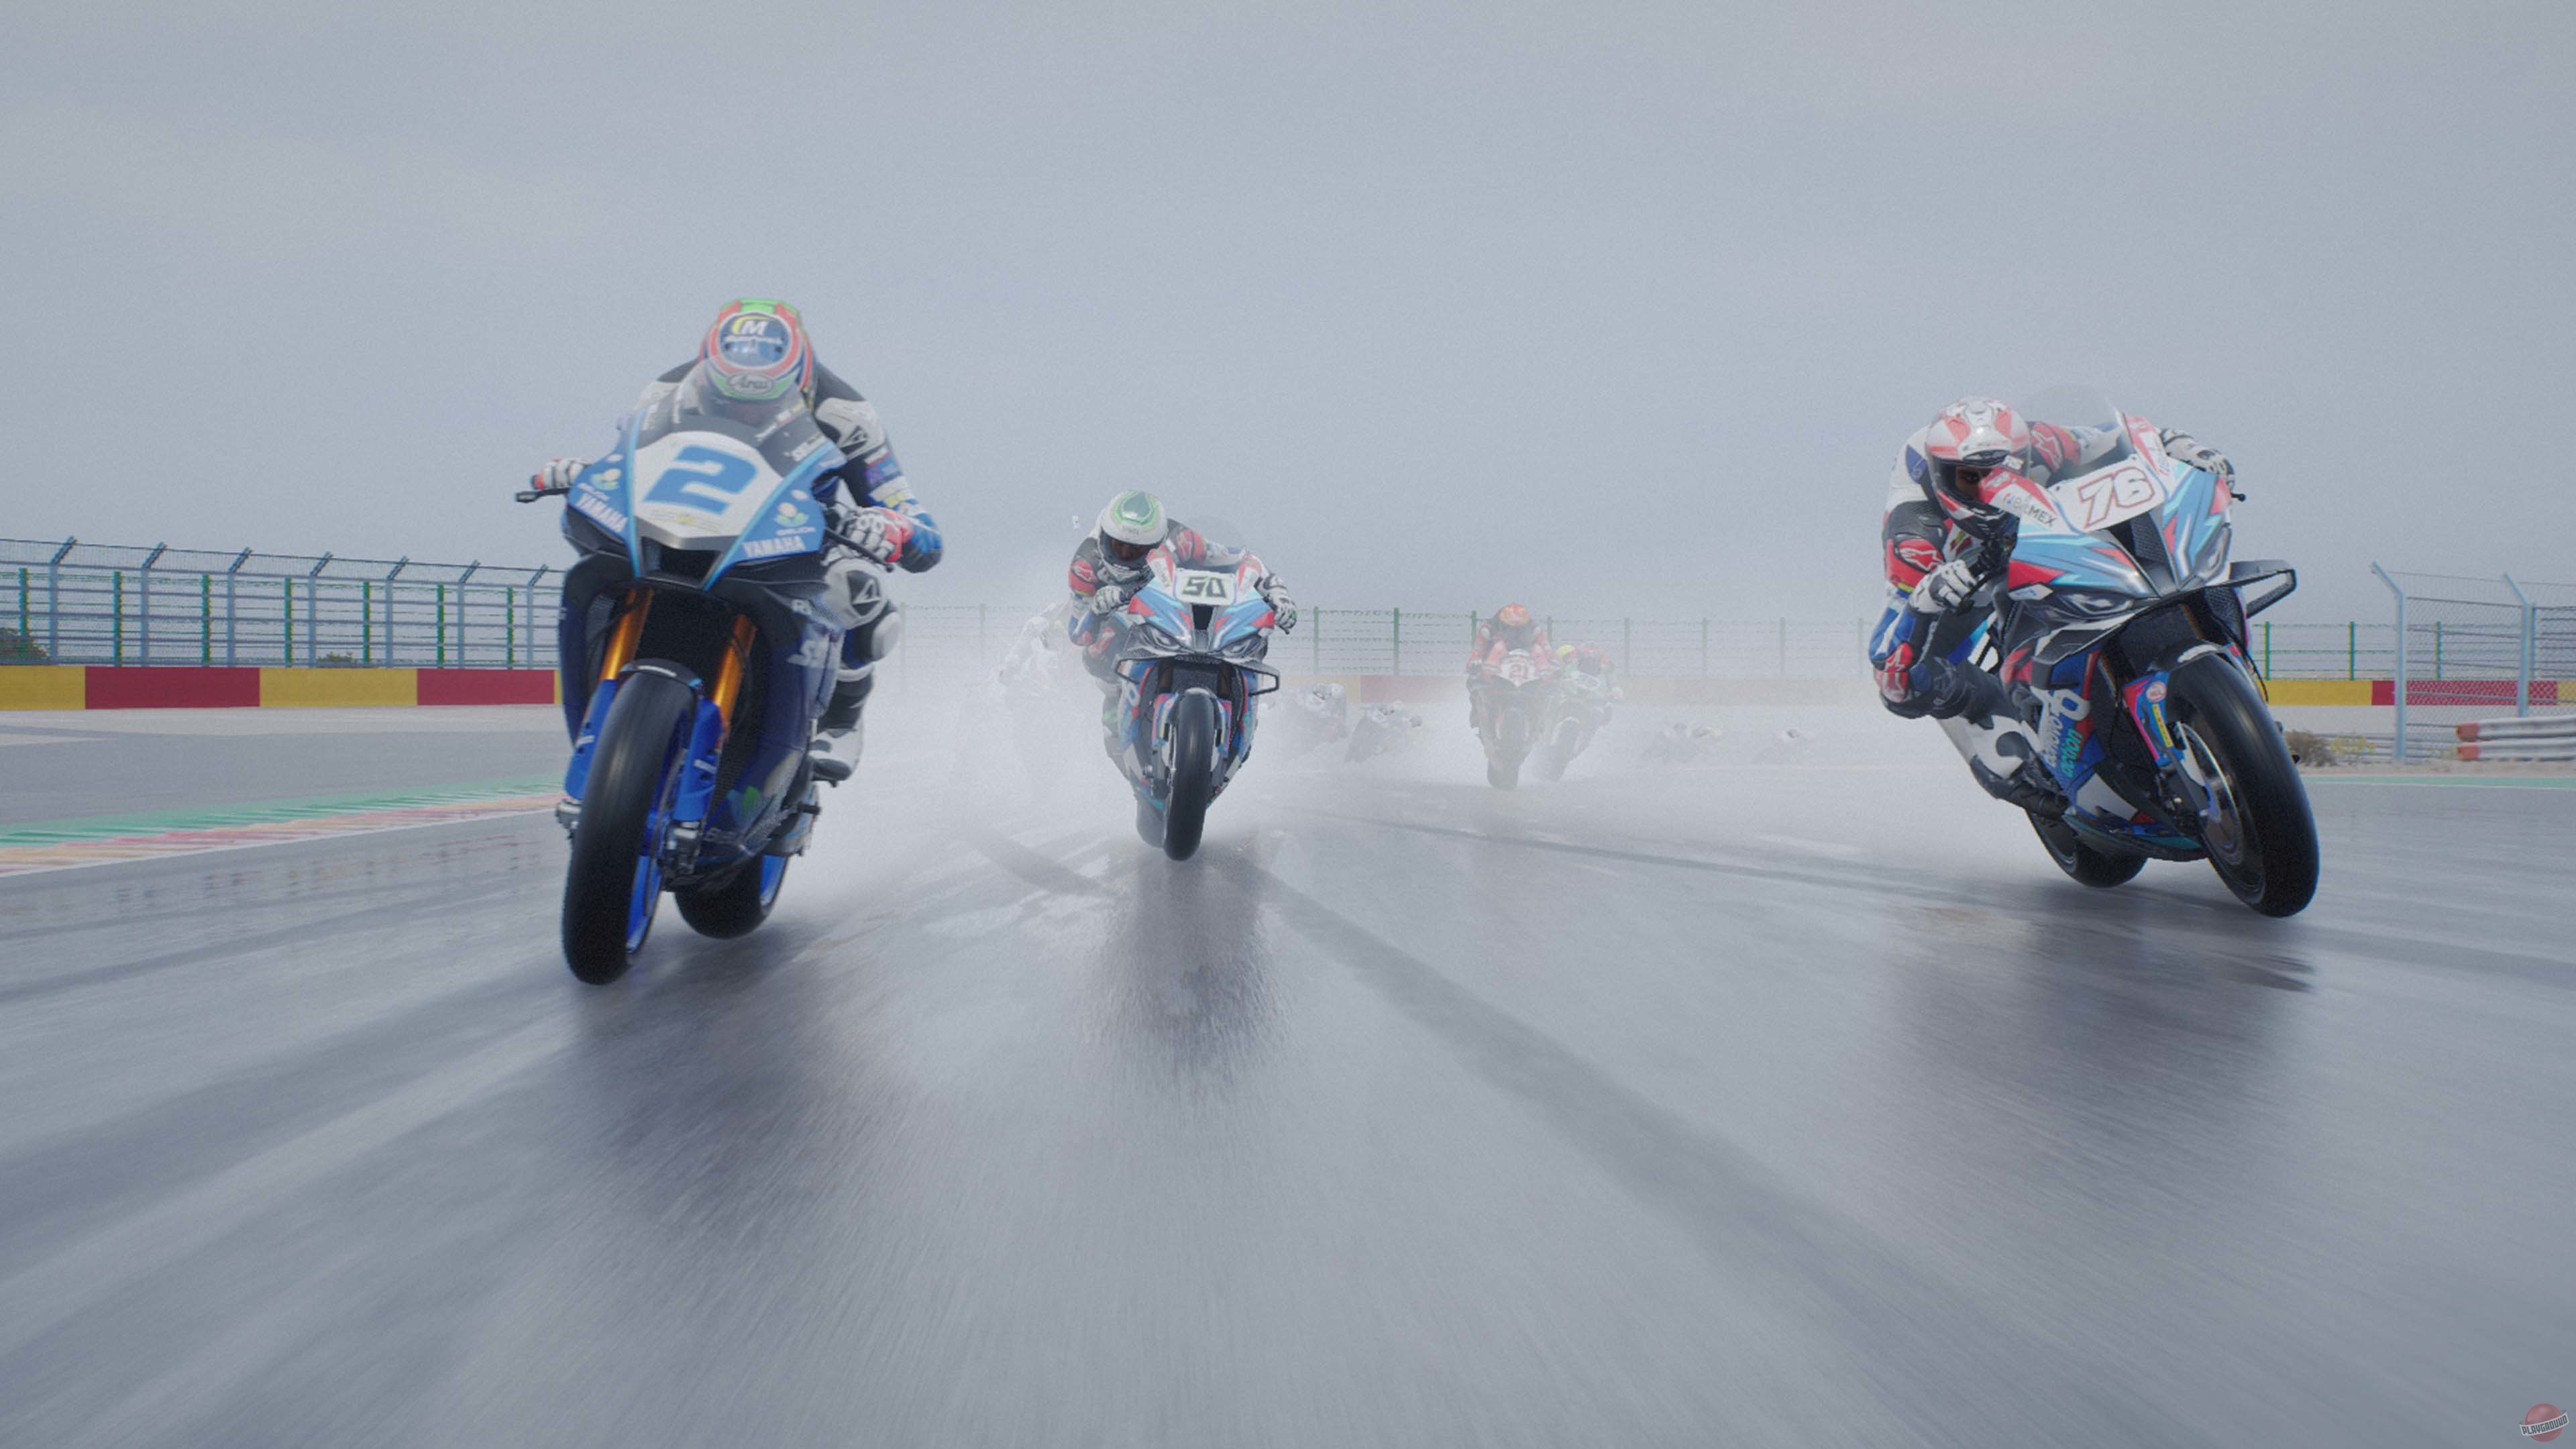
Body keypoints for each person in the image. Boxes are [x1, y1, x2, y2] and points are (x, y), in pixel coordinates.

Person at [528, 299, 941, 782]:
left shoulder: (847, 415)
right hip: (682, 524)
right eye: (730, 401)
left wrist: (894, 526)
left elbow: (911, 515)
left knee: (858, 590)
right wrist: (585, 473)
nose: (745, 410)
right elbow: (631, 461)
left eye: (762, 401)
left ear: (800, 382)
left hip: (794, 542)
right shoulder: (666, 392)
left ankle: (842, 719)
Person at [1866, 395, 2233, 809]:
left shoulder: (2042, 442)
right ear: (1942, 477)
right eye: (1970, 479)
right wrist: (1927, 598)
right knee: (1908, 685)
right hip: (1959, 559)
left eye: (2004, 471)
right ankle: (1990, 717)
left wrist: (2185, 448)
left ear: (2022, 457)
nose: (1990, 488)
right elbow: (1888, 664)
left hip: (2040, 528)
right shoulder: (1914, 538)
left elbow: (2128, 437)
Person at [1064, 490, 1296, 679]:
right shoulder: (1084, 567)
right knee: (1097, 652)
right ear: (1103, 538)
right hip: (1123, 620)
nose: (1124, 556)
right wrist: (1096, 610)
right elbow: (1078, 635)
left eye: (1136, 551)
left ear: (1158, 542)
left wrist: (1278, 594)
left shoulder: (1181, 540)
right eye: (1117, 547)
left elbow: (1239, 558)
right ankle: (1116, 703)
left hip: (1176, 616)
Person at [1465, 604, 1552, 729]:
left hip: (1525, 667)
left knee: (1547, 688)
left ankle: (1541, 721)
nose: (1514, 630)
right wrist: (1476, 662)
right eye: (1509, 627)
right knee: (1475, 682)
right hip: (1495, 667)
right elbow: (1478, 650)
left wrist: (1552, 664)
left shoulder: (1535, 629)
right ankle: (1477, 712)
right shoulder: (1488, 629)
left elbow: (1547, 649)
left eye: (1519, 627)